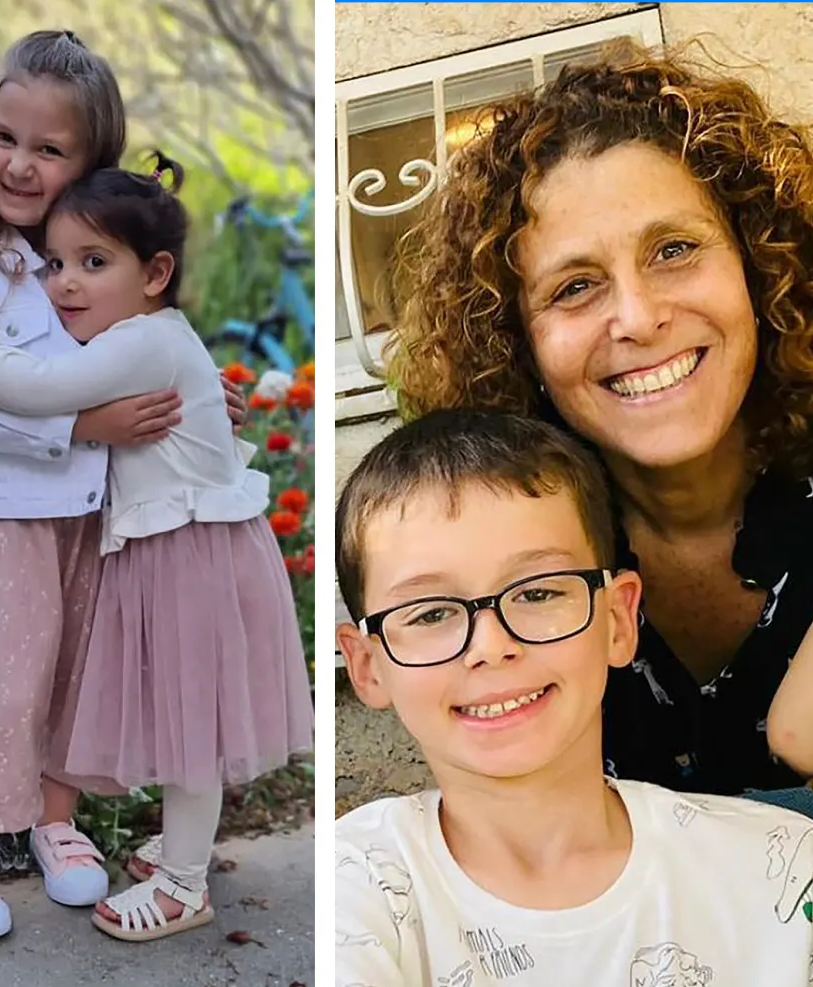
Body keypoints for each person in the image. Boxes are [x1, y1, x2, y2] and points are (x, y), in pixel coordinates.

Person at [387, 43, 813, 808]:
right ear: (518, 342)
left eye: (675, 249)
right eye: (575, 286)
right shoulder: (502, 553)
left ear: (757, 263)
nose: (639, 318)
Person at [0, 156, 311, 941]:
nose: (63, 283)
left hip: (191, 556)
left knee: (195, 725)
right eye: (56, 263)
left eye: (93, 264)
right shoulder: (145, 333)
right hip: (181, 552)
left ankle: (183, 883)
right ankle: (171, 848)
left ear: (155, 272)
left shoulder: (137, 342)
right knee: (186, 715)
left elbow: (41, 387)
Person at [335, 409, 813, 984]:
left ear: (617, 620)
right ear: (366, 665)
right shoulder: (357, 885)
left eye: (537, 593)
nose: (491, 645)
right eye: (431, 612)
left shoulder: (784, 869)